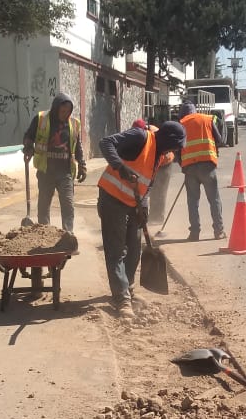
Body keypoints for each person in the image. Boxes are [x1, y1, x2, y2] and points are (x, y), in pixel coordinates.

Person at [97, 120, 186, 317]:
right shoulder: (140, 137)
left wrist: (143, 206)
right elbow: (105, 143)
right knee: (116, 251)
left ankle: (128, 288)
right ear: (167, 140)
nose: (174, 151)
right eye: (174, 146)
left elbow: (147, 181)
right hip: (112, 199)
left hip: (134, 203)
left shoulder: (160, 154)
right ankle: (121, 299)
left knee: (135, 249)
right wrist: (119, 166)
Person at [21, 93, 86, 234]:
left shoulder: (74, 123)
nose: (65, 114)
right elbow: (28, 136)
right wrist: (28, 148)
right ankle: (45, 233)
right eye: (63, 111)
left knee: (68, 204)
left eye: (68, 111)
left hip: (65, 171)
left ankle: (68, 235)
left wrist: (82, 164)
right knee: (44, 204)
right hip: (46, 171)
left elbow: (77, 145)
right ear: (56, 108)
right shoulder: (41, 119)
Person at [177, 101, 226, 241]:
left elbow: (178, 150)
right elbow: (220, 141)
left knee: (192, 202)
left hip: (190, 169)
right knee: (214, 199)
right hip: (207, 166)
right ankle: (219, 231)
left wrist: (183, 166)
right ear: (195, 110)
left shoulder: (181, 124)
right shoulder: (207, 119)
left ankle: (194, 233)